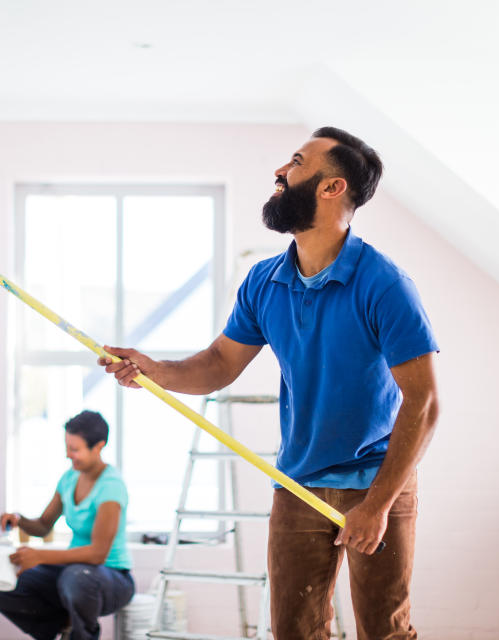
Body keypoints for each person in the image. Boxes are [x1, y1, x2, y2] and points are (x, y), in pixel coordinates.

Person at [99, 127, 440, 640]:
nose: (280, 171)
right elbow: (218, 363)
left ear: (331, 188)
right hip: (299, 480)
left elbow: (425, 402)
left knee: (384, 633)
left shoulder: (384, 285)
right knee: (294, 632)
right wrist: (155, 371)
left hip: (375, 481)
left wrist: (378, 505)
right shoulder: (264, 281)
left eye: (297, 163)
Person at [0, 410, 134, 640]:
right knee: (2, 585)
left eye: (75, 449)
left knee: (76, 577)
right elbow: (44, 525)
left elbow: (97, 555)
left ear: (98, 447)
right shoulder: (69, 479)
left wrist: (40, 556)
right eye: (67, 447)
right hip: (74, 573)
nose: (68, 455)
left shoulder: (111, 487)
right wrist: (19, 520)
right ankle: (63, 627)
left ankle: (82, 635)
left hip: (112, 578)